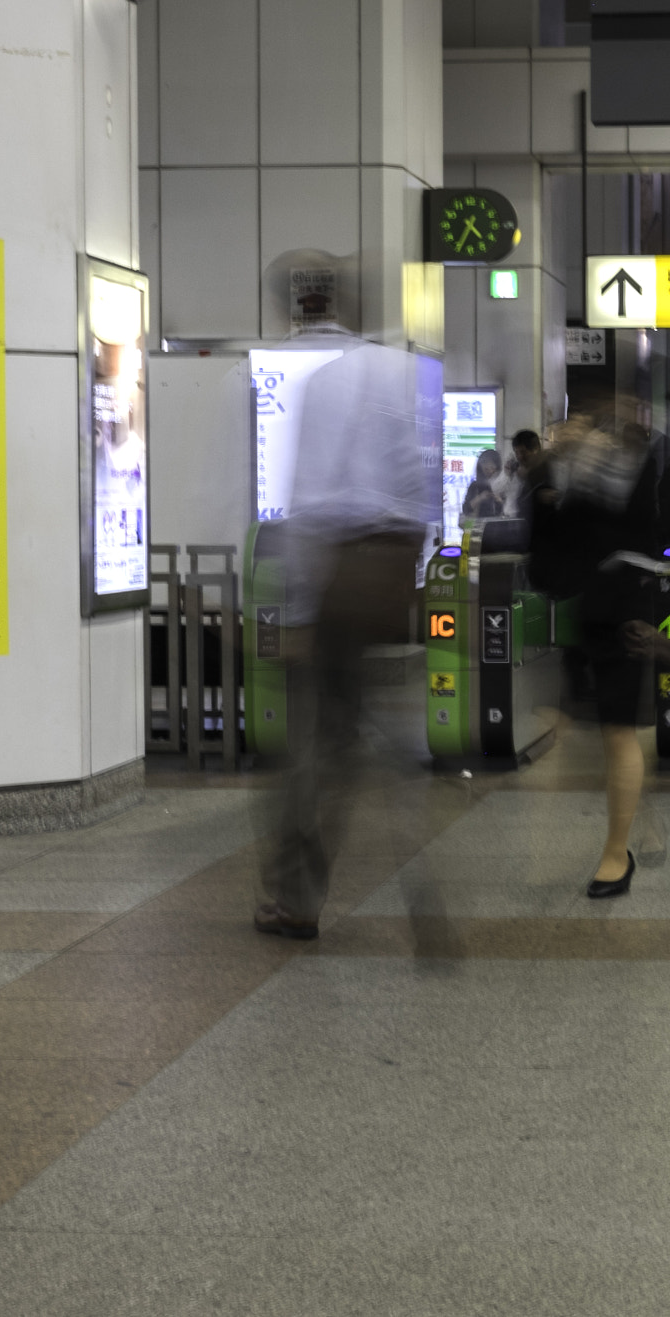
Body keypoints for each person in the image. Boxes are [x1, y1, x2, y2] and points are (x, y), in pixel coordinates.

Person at [259, 341, 433, 941]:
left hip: (337, 587)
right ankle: (416, 840)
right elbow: (415, 489)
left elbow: (311, 503)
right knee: (352, 729)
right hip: (382, 583)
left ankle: (296, 898)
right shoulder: (397, 377)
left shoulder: (325, 382)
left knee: (311, 744)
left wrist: (300, 612)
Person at [526, 388, 663, 895]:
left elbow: (638, 534)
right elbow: (546, 558)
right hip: (585, 616)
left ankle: (615, 853)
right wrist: (549, 475)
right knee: (594, 731)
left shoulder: (636, 465)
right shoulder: (566, 476)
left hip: (625, 612)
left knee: (618, 731)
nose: (582, 432)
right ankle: (633, 811)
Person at [461, 448, 506, 521]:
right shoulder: (475, 485)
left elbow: (500, 512)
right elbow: (466, 509)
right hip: (475, 527)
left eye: (493, 468)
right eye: (486, 468)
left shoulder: (500, 485)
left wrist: (499, 501)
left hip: (492, 527)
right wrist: (480, 498)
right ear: (481, 467)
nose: (490, 471)